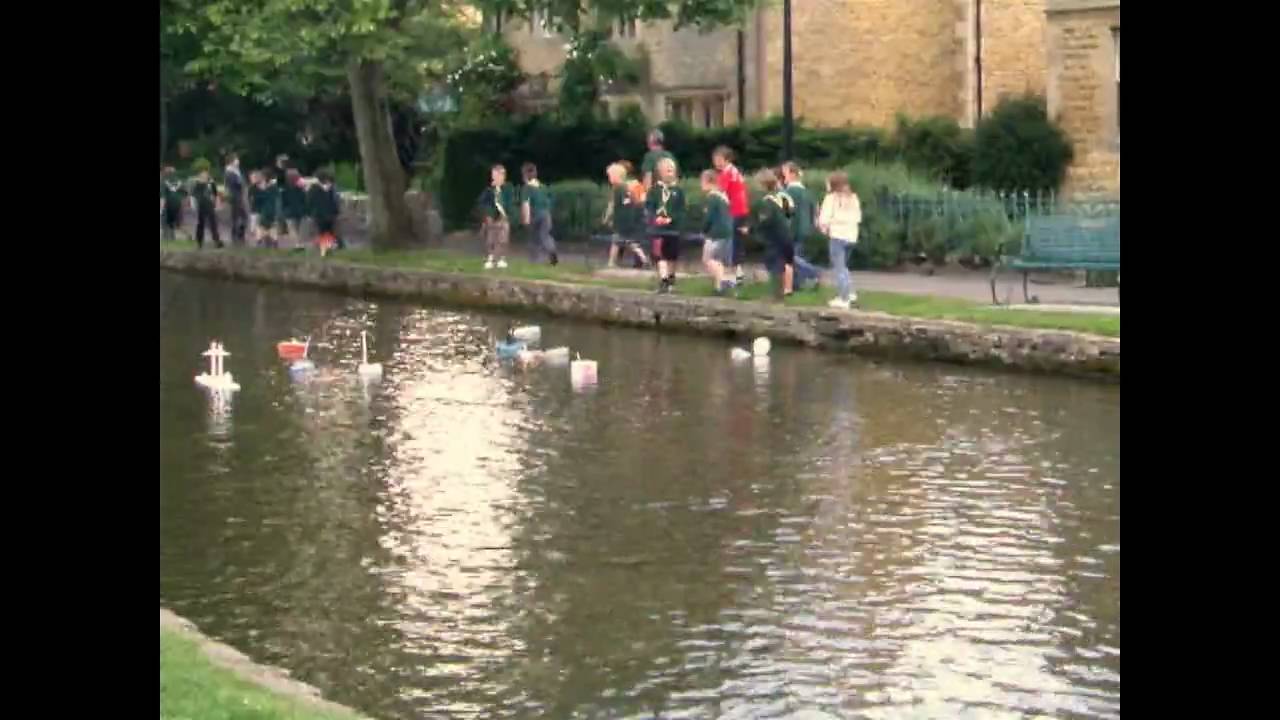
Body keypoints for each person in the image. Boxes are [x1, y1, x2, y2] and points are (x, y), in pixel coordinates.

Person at [817, 171, 863, 309]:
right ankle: (850, 293)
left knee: (839, 267)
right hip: (851, 236)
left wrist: (823, 224)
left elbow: (824, 219)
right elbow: (858, 218)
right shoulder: (853, 198)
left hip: (838, 236)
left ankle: (844, 298)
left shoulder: (831, 198)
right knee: (844, 267)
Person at [645, 157, 685, 294]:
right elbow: (649, 207)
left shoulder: (678, 191)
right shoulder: (654, 190)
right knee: (659, 255)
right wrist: (655, 218)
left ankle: (671, 278)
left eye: (672, 170)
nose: (670, 173)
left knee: (672, 257)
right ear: (660, 172)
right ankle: (663, 280)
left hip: (673, 230)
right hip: (658, 229)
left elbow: (681, 210)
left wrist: (671, 219)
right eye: (667, 170)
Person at [755, 168, 796, 298]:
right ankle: (785, 290)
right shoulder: (783, 195)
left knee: (774, 264)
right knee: (785, 263)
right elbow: (791, 213)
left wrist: (754, 229)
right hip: (787, 233)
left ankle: (777, 294)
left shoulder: (767, 201)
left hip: (775, 236)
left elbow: (766, 220)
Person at [712, 146, 750, 286]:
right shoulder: (736, 171)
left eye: (718, 159)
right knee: (738, 242)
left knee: (731, 242)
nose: (716, 162)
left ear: (726, 159)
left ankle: (730, 274)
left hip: (733, 211)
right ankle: (739, 272)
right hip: (742, 210)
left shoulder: (726, 174)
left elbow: (721, 193)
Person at [780, 162, 821, 290]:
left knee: (790, 257)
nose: (783, 176)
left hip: (791, 229)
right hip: (804, 228)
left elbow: (786, 213)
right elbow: (815, 209)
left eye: (785, 173)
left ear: (792, 174)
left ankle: (812, 272)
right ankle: (796, 283)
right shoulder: (807, 192)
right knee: (796, 255)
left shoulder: (787, 192)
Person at [603, 162, 648, 269]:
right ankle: (644, 258)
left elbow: (613, 205)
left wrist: (607, 218)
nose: (609, 179)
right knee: (628, 242)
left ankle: (611, 263)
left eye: (610, 176)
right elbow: (634, 203)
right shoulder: (627, 188)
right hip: (629, 220)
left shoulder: (617, 189)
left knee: (617, 242)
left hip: (621, 221)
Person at [700, 170, 734, 295]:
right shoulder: (723, 197)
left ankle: (726, 280)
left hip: (715, 233)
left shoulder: (712, 197)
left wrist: (703, 230)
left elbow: (708, 218)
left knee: (708, 259)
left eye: (702, 182)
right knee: (718, 261)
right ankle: (719, 287)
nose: (701, 185)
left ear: (708, 182)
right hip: (727, 232)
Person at [477, 164, 515, 270]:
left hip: (504, 217)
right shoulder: (489, 190)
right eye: (493, 175)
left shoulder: (508, 188)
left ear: (503, 176)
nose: (495, 178)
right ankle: (491, 258)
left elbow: (511, 202)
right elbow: (482, 203)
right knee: (491, 239)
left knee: (503, 239)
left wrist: (508, 214)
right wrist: (487, 214)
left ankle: (502, 259)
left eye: (498, 175)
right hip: (492, 218)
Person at [520, 162, 558, 265]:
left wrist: (526, 219)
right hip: (546, 214)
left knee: (533, 238)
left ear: (525, 175)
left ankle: (534, 260)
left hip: (535, 215)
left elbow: (526, 203)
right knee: (545, 235)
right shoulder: (543, 187)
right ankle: (552, 250)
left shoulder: (527, 188)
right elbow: (548, 201)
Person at [190, 160, 223, 249]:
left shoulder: (211, 183)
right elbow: (193, 195)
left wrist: (217, 203)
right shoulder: (198, 184)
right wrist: (194, 204)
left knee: (213, 223)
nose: (205, 176)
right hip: (201, 206)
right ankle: (199, 242)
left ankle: (217, 241)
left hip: (210, 205)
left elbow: (215, 193)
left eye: (206, 174)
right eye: (203, 174)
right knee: (201, 224)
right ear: (200, 175)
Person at [308, 169, 341, 257]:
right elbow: (334, 202)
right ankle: (327, 249)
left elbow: (310, 202)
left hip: (320, 214)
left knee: (323, 232)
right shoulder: (330, 189)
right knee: (328, 232)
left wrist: (310, 212)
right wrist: (336, 212)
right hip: (328, 214)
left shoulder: (313, 189)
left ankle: (325, 250)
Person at [280, 169, 308, 250]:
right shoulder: (301, 188)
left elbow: (283, 201)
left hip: (289, 211)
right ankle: (301, 243)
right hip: (300, 211)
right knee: (299, 229)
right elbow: (304, 199)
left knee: (292, 229)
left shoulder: (284, 188)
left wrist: (284, 210)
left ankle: (297, 244)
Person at [224, 153, 248, 246]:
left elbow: (242, 182)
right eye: (236, 159)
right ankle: (236, 236)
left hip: (238, 195)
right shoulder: (230, 172)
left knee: (242, 216)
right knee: (237, 216)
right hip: (234, 196)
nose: (238, 161)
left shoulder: (236, 171)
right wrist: (242, 183)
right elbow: (237, 183)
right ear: (231, 161)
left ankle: (239, 235)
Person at [252, 170, 281, 248]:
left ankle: (259, 241)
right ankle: (274, 242)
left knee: (261, 226)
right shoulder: (274, 187)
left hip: (266, 210)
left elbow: (259, 199)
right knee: (271, 226)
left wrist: (260, 189)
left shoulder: (265, 188)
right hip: (273, 209)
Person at [160, 167, 187, 242]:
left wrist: (161, 208)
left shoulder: (163, 181)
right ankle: (172, 237)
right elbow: (185, 193)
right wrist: (182, 204)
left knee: (164, 221)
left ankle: (165, 237)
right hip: (177, 204)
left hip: (168, 203)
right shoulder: (180, 181)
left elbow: (163, 196)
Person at [246, 170, 264, 243]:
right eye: (251, 178)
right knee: (253, 225)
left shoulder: (261, 186)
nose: (252, 179)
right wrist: (251, 200)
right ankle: (257, 237)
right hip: (254, 208)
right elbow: (249, 197)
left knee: (259, 224)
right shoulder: (251, 187)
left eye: (253, 178)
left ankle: (259, 238)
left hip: (260, 208)